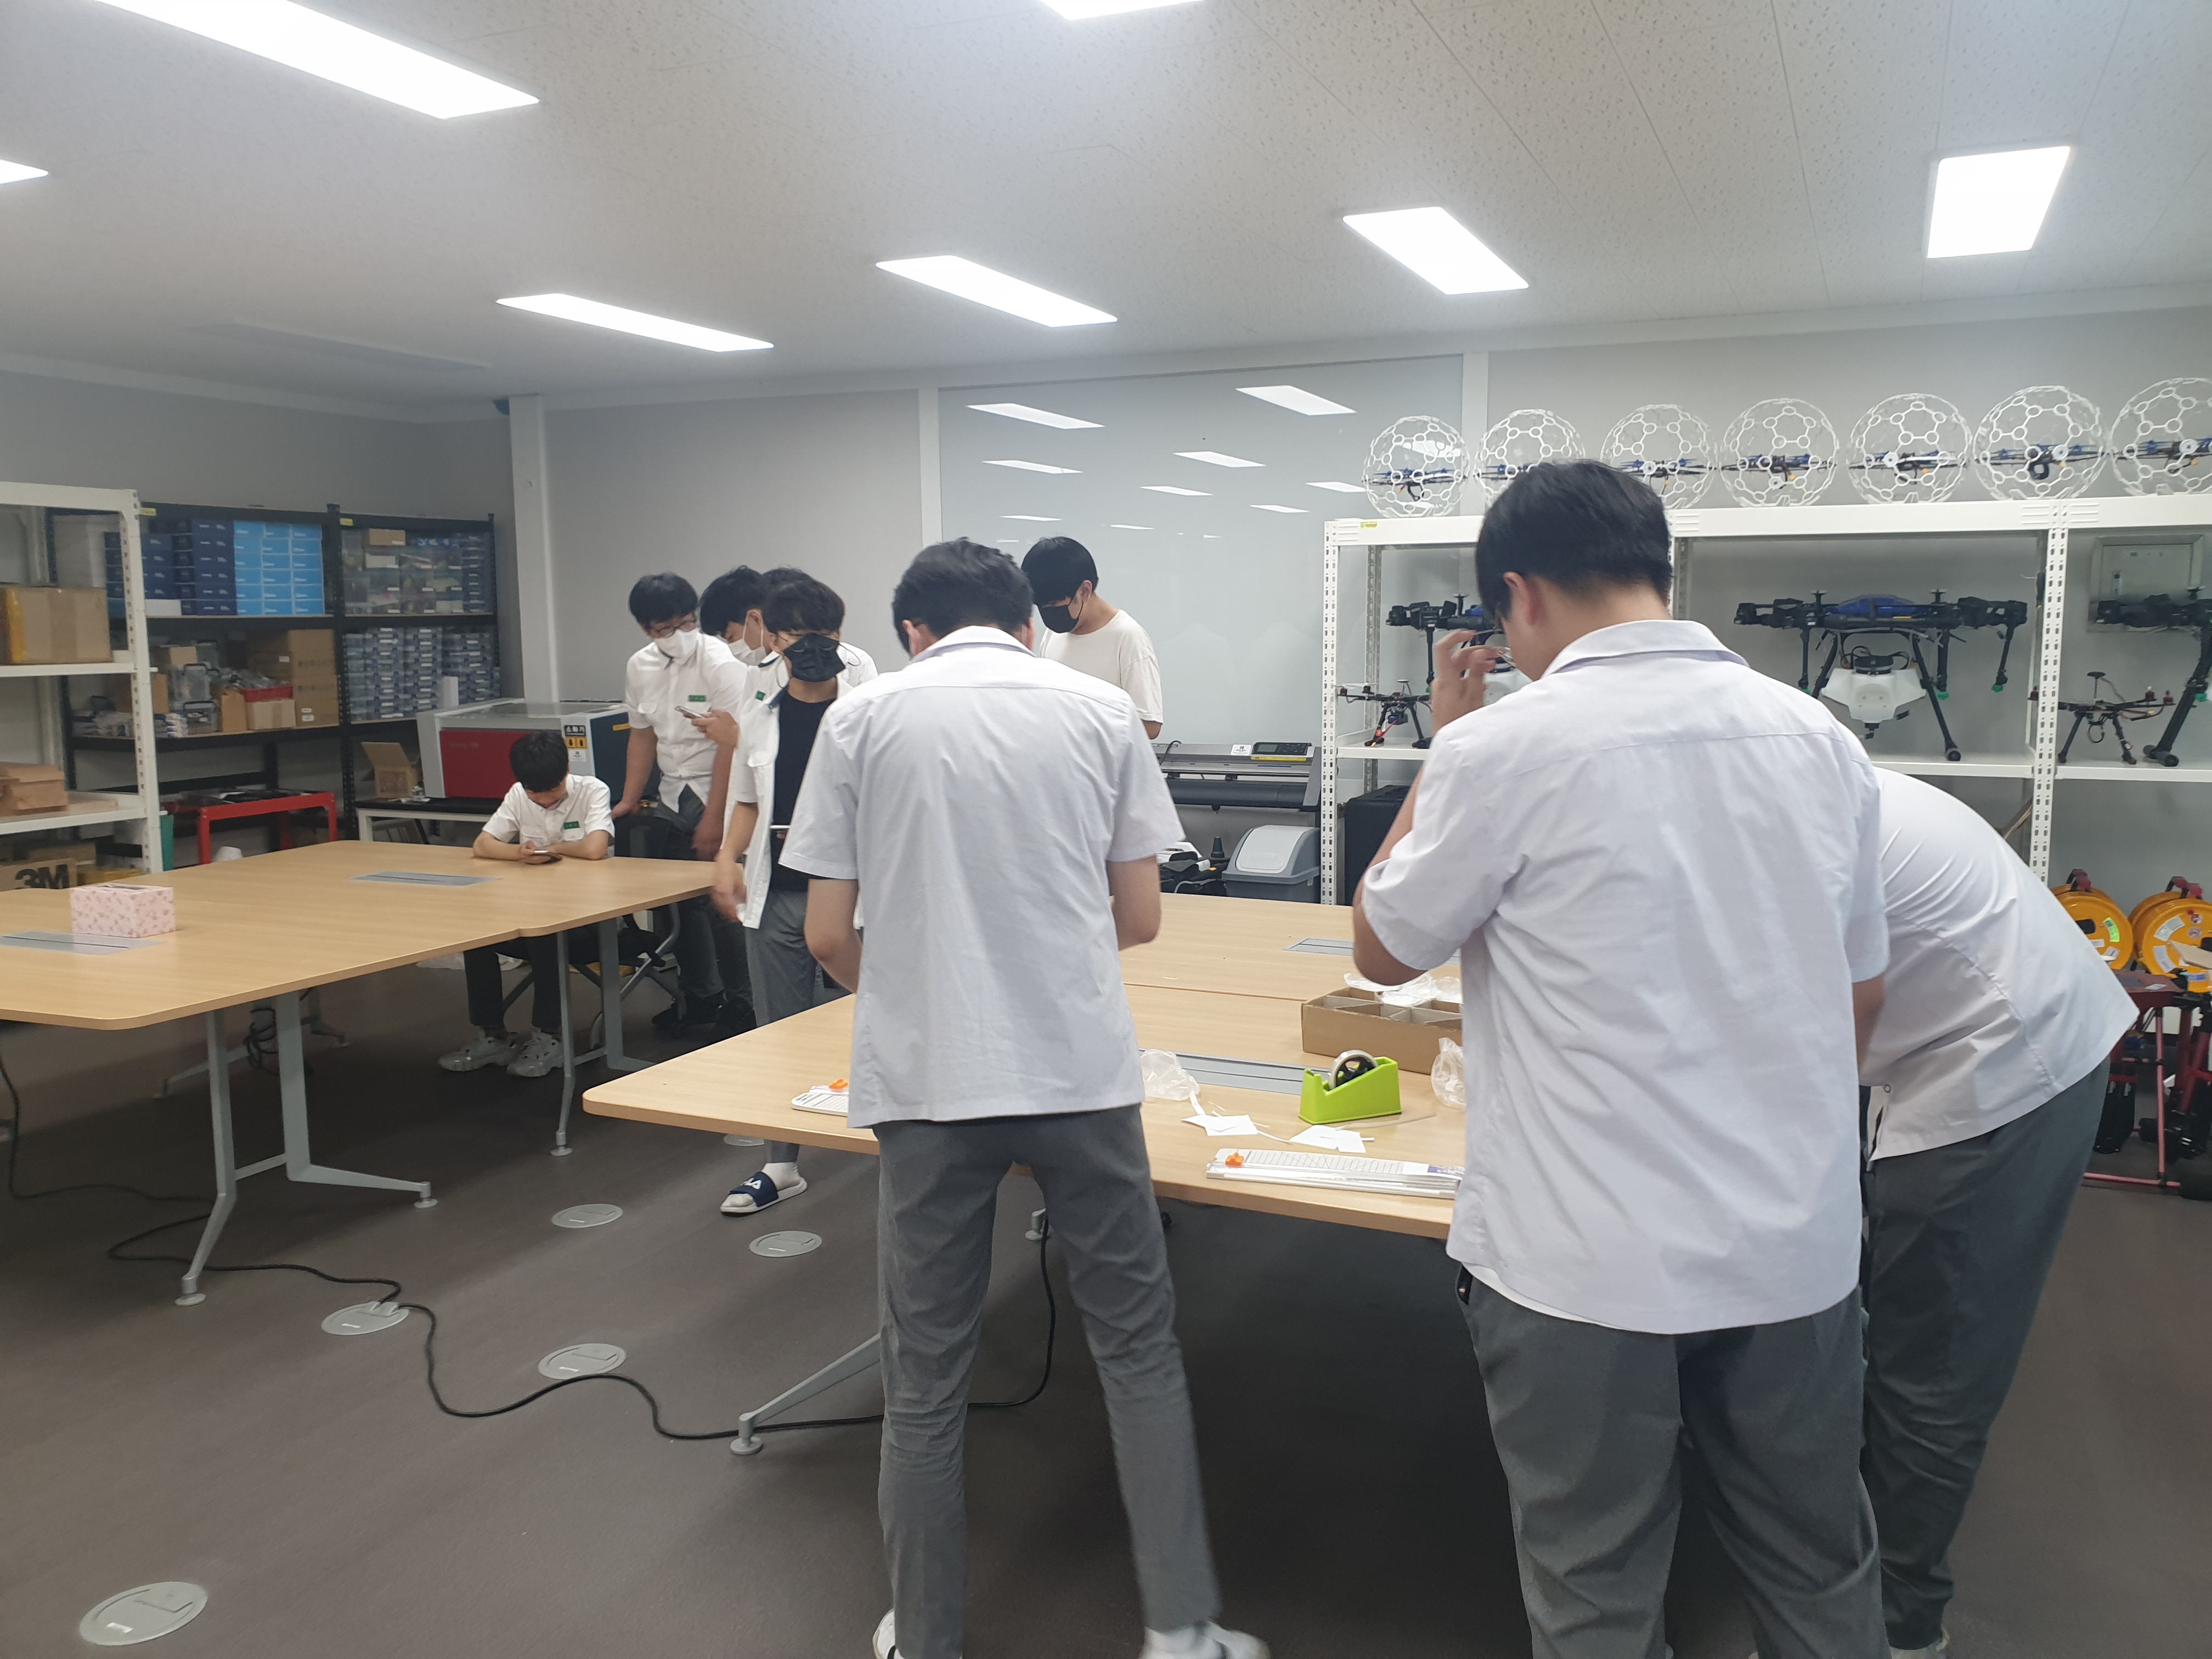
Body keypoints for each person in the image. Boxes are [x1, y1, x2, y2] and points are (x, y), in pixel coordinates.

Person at [1351, 460, 1890, 1659]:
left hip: (1582, 1262)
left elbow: (1383, 948)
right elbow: (1860, 991)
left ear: (1517, 593)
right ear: (1659, 572)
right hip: (1792, 1243)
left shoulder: (1506, 746)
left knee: (1594, 1582)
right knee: (1816, 1562)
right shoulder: (1819, 738)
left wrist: (1449, 743)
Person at [780, 539, 1262, 1659]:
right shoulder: (1097, 712)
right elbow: (1140, 917)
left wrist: (921, 989)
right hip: (1079, 1075)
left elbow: (826, 936)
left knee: (925, 1373)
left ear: (912, 631)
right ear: (1028, 621)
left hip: (927, 1082)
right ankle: (1182, 1630)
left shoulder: (861, 719)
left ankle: (928, 1636)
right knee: (1138, 1350)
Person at [1859, 770, 2134, 1659]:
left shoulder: (1781, 822)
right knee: (1885, 1328)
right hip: (1948, 1030)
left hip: (2001, 1065)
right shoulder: (1779, 776)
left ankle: (1895, 1628)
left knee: (1931, 1364)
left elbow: (1822, 1027)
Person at [708, 571, 876, 1217]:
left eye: (826, 634)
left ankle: (898, 1141)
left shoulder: (872, 709)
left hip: (860, 896)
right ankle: (781, 1164)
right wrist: (727, 858)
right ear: (774, 640)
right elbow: (748, 801)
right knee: (778, 1032)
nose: (815, 647)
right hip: (777, 890)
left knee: (879, 1021)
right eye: (800, 636)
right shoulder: (759, 716)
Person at [611, 572, 752, 1035]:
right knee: (677, 905)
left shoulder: (721, 662)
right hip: (672, 793)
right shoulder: (639, 667)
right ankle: (700, 997)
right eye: (665, 628)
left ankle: (744, 1003)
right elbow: (642, 735)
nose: (679, 634)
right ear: (645, 628)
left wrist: (715, 820)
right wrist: (630, 799)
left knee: (725, 903)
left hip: (722, 791)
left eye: (686, 622)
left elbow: (731, 746)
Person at [438, 730, 613, 1079]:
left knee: (544, 935)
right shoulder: (519, 794)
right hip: (531, 906)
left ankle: (549, 1037)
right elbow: (483, 845)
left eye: (553, 793)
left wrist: (554, 848)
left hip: (588, 916)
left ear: (566, 770)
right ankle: (491, 1035)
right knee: (478, 937)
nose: (545, 801)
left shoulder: (593, 790)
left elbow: (595, 849)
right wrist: (518, 854)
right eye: (536, 795)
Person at [1020, 535, 1164, 738]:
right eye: (1041, 606)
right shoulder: (1053, 635)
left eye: (1053, 604)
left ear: (1085, 591)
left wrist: (1082, 723)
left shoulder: (1127, 637)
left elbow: (1150, 726)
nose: (1048, 614)